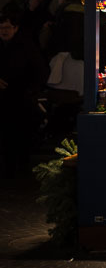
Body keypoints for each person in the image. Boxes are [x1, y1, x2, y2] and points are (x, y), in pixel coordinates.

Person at [0, 11, 47, 177]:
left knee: (20, 134)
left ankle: (20, 167)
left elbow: (39, 71)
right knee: (7, 135)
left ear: (15, 28)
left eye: (7, 27)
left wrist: (30, 91)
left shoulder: (25, 46)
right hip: (5, 100)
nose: (4, 31)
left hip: (21, 98)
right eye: (1, 28)